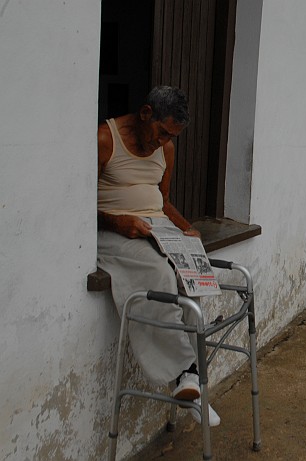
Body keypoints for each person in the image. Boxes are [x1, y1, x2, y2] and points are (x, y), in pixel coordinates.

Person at [97, 86, 220, 426]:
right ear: (146, 113)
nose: (163, 142)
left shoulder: (166, 148)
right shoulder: (105, 140)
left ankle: (189, 381)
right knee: (161, 277)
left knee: (191, 280)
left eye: (171, 137)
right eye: (162, 132)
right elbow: (76, 205)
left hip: (156, 227)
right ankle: (187, 374)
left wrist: (186, 230)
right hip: (113, 232)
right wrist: (117, 222)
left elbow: (163, 201)